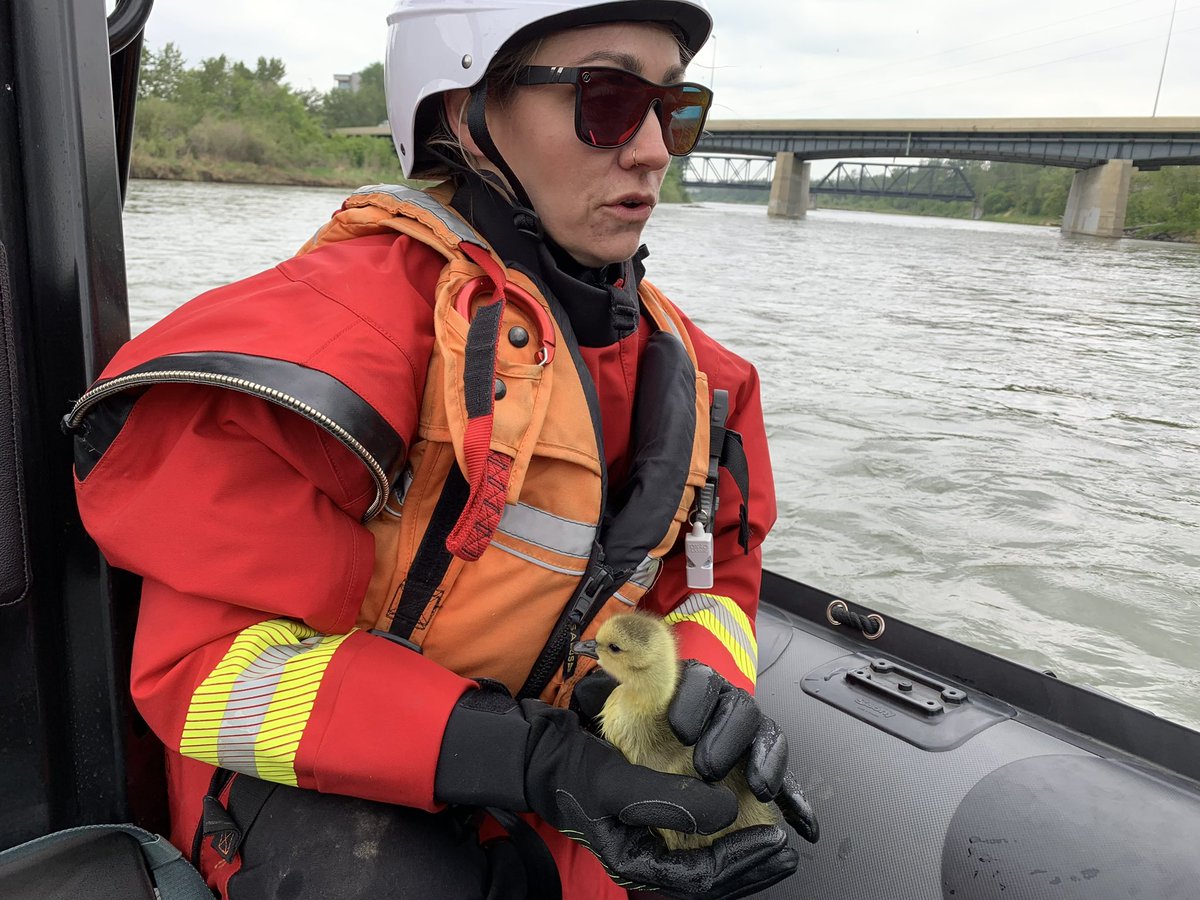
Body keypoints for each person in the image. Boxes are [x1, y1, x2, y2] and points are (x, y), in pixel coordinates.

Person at [67, 1, 817, 897]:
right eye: (608, 100)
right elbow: (210, 676)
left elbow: (711, 592)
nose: (655, 149)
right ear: (465, 113)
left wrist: (697, 695)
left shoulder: (712, 389)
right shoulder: (327, 349)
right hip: (321, 795)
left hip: (560, 787)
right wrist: (525, 757)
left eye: (674, 108)